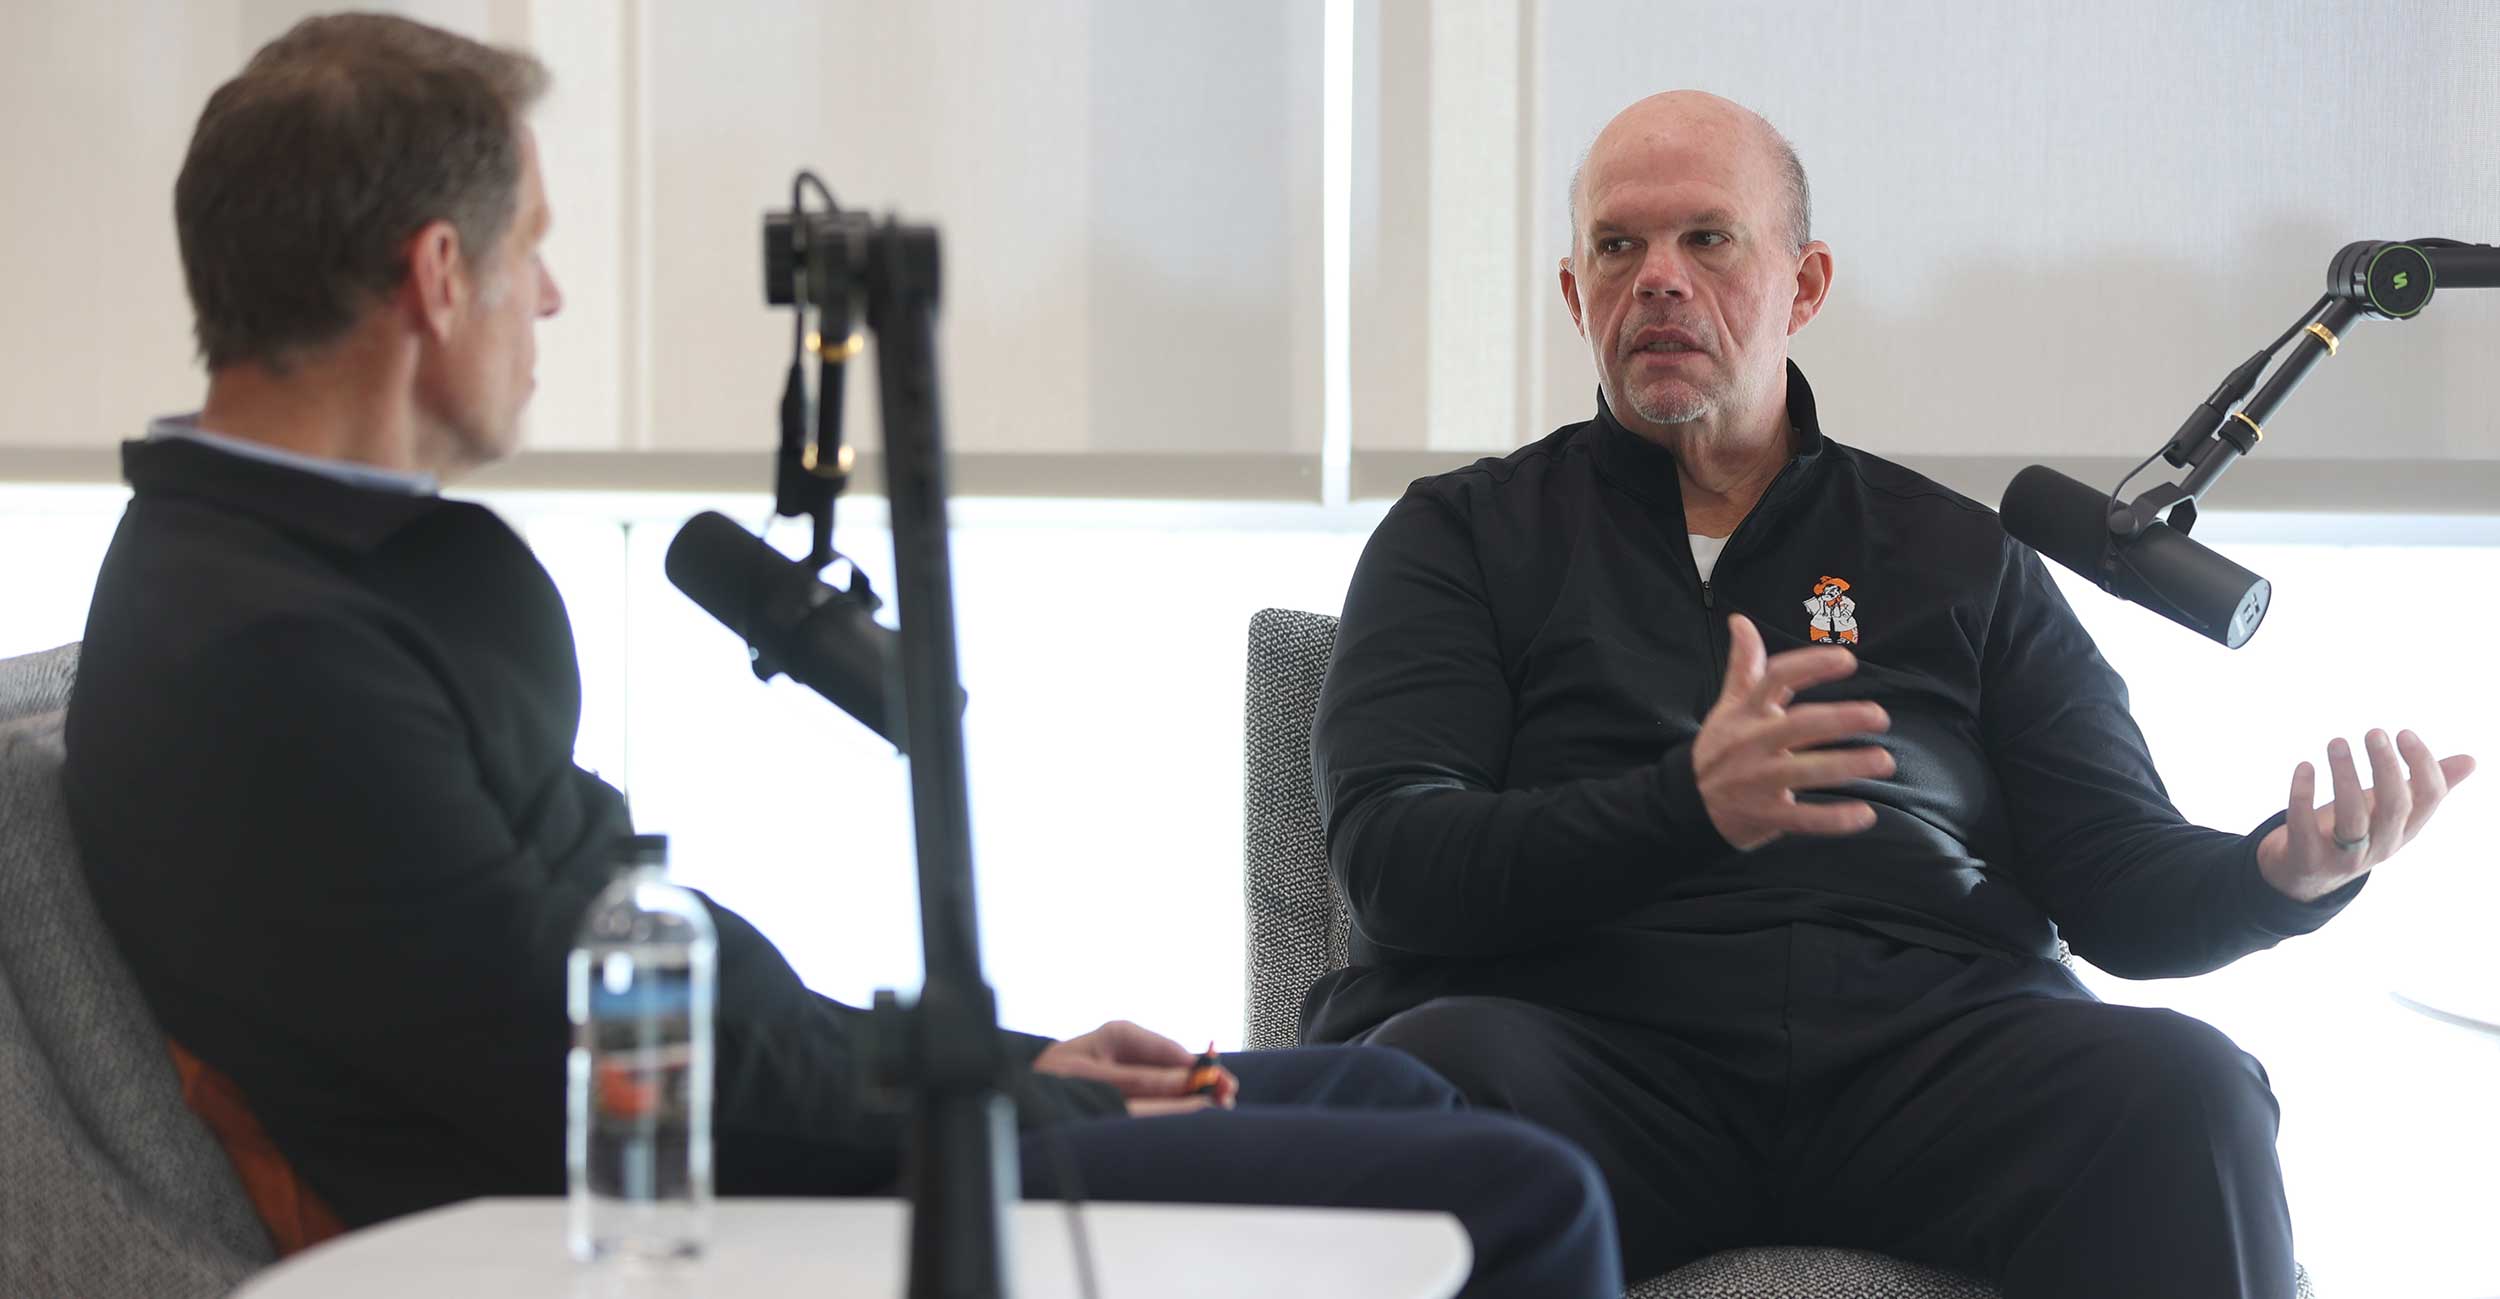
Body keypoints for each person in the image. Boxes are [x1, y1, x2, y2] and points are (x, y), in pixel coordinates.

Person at [61, 16, 1620, 1297]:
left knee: (1395, 1090)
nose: (550, 296)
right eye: (526, 248)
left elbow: (618, 972)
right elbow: (599, 1056)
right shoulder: (272, 657)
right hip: (715, 1209)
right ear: (435, 277)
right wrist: (1012, 1094)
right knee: (1520, 1198)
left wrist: (1013, 1050)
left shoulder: (306, 571)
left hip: (790, 1118)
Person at [1307, 90, 2475, 1299]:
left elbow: (2116, 883)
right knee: (1428, 1077)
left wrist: (2280, 874)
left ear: (1803, 288)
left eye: (1706, 239)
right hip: (1582, 1051)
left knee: (2185, 1088)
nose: (1656, 277)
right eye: (1618, 245)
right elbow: (1395, 861)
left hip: (1918, 1060)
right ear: (1573, 294)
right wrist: (1684, 805)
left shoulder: (1959, 555)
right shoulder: (1463, 534)